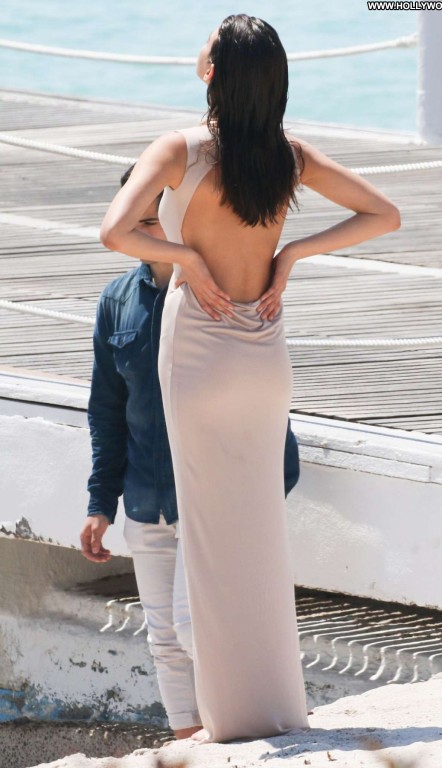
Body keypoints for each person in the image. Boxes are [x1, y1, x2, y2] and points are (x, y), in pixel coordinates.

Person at [99, 14, 400, 744]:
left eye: (205, 46)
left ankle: (226, 718)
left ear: (214, 73)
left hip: (200, 345)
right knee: (259, 533)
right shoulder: (289, 156)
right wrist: (290, 255)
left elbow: (114, 231)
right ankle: (274, 706)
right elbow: (384, 214)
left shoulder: (180, 149)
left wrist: (186, 259)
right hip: (265, 351)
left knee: (206, 536)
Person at [81, 165, 302, 740]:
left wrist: (269, 483)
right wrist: (100, 503)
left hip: (212, 497)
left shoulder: (225, 289)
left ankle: (231, 732)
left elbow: (258, 396)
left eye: (152, 219)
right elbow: (107, 410)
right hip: (145, 500)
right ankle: (191, 743)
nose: (141, 231)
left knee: (191, 626)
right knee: (163, 638)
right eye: (133, 220)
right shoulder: (116, 301)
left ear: (178, 217)